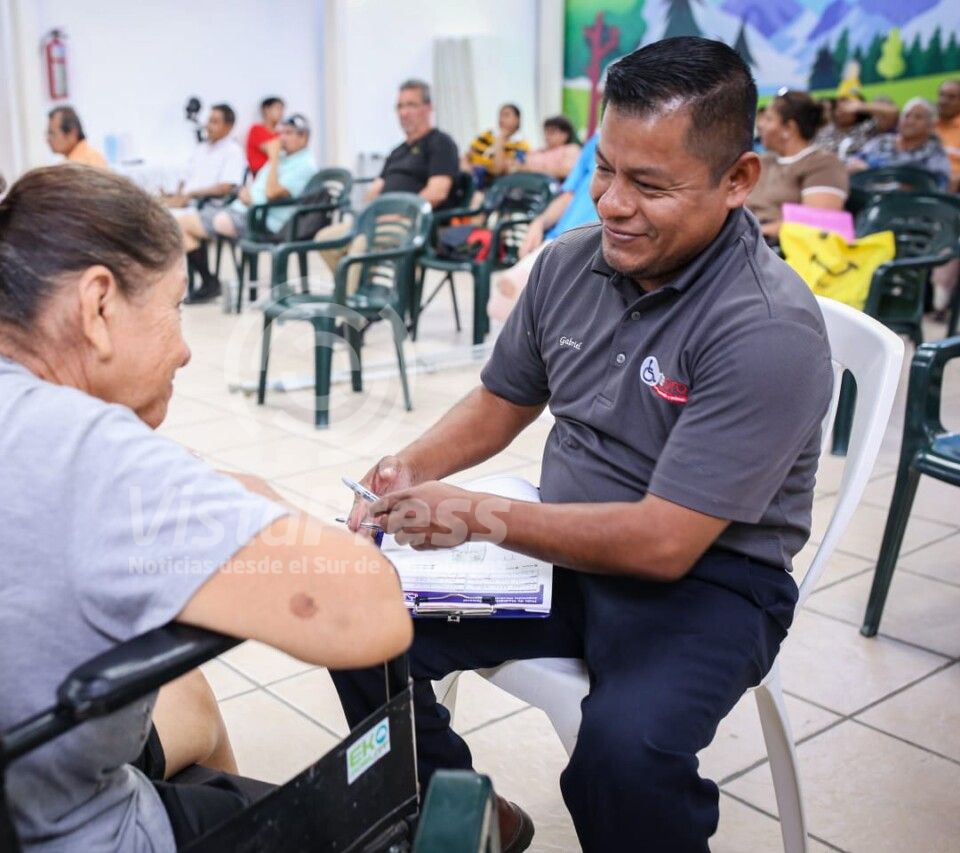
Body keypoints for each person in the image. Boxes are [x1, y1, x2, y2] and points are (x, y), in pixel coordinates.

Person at [0, 161, 410, 852]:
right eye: (174, 307)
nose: (186, 349)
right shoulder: (90, 453)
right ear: (99, 304)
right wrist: (257, 504)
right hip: (36, 832)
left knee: (188, 693)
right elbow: (371, 617)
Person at [336, 37, 831, 853]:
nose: (612, 203)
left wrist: (478, 515)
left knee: (622, 758)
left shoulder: (766, 328)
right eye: (605, 168)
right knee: (349, 616)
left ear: (738, 179)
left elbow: (665, 541)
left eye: (650, 185)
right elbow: (504, 398)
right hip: (565, 546)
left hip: (710, 580)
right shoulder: (571, 264)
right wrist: (410, 466)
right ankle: (462, 810)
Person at [315, 79, 458, 286]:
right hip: (381, 220)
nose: (404, 112)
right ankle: (360, 292)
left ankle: (349, 303)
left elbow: (437, 192)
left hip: (415, 224)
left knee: (361, 243)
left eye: (411, 105)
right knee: (326, 239)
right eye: (400, 106)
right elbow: (375, 190)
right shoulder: (397, 152)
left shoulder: (441, 143)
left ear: (428, 108)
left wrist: (397, 213)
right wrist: (371, 211)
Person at [176, 114, 317, 303]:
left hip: (263, 221)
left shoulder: (305, 165)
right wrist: (245, 193)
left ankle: (210, 283)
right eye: (281, 133)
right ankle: (209, 282)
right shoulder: (283, 158)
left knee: (183, 224)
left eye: (289, 133)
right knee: (180, 224)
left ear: (304, 137)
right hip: (243, 210)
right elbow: (257, 187)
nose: (282, 138)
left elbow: (271, 192)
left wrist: (274, 158)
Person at [487, 132, 600, 323]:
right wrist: (539, 222)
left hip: (598, 246)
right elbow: (569, 194)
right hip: (561, 239)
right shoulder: (596, 143)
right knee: (504, 295)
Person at [747, 90, 848, 241]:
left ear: (789, 128)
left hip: (776, 246)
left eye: (768, 119)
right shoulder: (764, 160)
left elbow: (818, 222)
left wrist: (750, 235)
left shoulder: (823, 164)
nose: (760, 124)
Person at [849, 97, 951, 191]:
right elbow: (854, 162)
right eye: (906, 116)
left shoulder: (934, 153)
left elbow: (938, 187)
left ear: (931, 126)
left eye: (918, 117)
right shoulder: (881, 141)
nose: (910, 121)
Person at [160, 103, 245, 209]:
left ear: (229, 126)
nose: (208, 126)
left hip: (206, 206)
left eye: (214, 122)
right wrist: (177, 195)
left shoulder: (233, 151)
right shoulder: (201, 148)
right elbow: (185, 176)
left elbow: (225, 187)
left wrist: (191, 194)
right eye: (209, 121)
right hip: (185, 202)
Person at [462, 103, 532, 190]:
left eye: (506, 115)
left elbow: (498, 170)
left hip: (492, 185)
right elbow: (467, 155)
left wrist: (499, 140)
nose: (501, 119)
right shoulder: (486, 135)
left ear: (517, 120)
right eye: (500, 116)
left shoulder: (522, 145)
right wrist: (467, 169)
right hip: (471, 177)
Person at [813, 81, 880, 161]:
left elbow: (890, 114)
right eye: (838, 107)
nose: (841, 111)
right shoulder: (824, 132)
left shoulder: (866, 127)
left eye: (847, 106)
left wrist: (862, 107)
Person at [516, 115, 581, 180]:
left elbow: (567, 171)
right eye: (546, 132)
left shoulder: (571, 149)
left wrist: (531, 169)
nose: (547, 136)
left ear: (565, 135)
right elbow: (518, 165)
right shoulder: (538, 151)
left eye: (552, 132)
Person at [246, 96, 284, 176]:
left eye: (282, 109)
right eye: (278, 109)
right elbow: (272, 149)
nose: (281, 113)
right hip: (259, 174)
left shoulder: (280, 134)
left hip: (276, 173)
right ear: (266, 110)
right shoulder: (256, 129)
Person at [935, 79, 960, 192]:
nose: (943, 101)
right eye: (941, 95)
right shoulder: (927, 126)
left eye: (951, 97)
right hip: (925, 185)